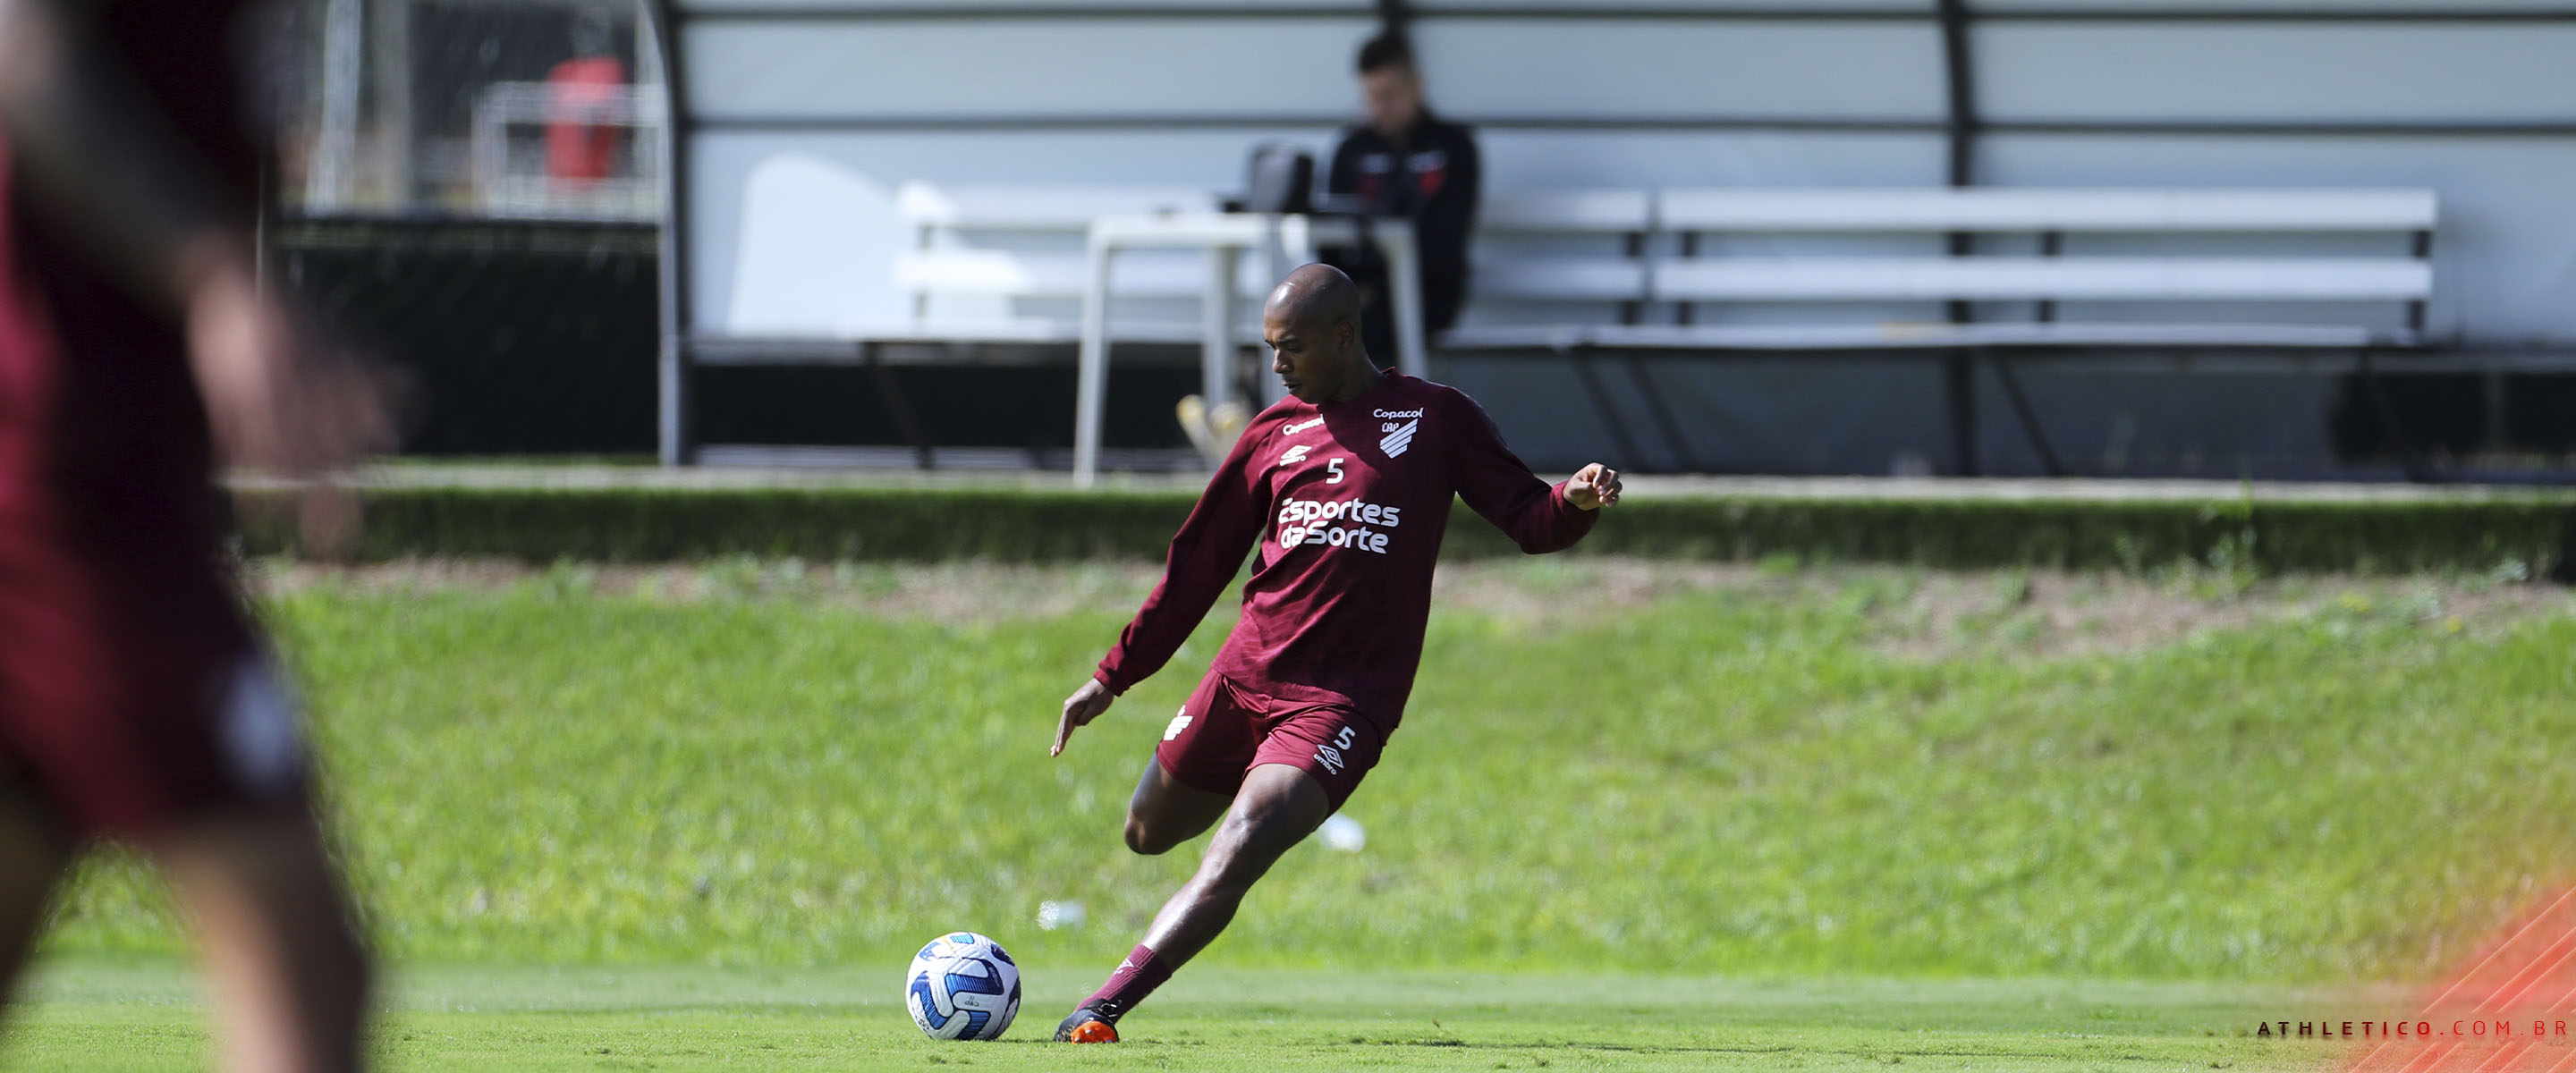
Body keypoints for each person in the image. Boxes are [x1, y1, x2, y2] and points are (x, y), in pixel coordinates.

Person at [1046, 264, 1620, 1043]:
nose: (1276, 366)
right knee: (1146, 830)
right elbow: (1197, 569)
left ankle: (1100, 1008)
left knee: (1241, 843)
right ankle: (1227, 798)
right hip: (1241, 679)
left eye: (1292, 348)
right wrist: (1112, 677)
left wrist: (1572, 502)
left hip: (1338, 704)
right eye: (1270, 348)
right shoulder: (1273, 432)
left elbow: (1528, 518)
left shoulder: (1435, 417)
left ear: (1344, 338)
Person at [0, 1, 391, 1069]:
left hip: (76, 463)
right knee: (306, 970)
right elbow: (20, 49)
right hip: (70, 479)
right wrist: (217, 277)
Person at [1323, 32, 1481, 369]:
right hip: (1360, 294)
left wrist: (1376, 287)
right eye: (1371, 97)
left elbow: (1448, 234)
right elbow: (1330, 229)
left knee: (1354, 337)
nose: (1380, 107)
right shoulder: (1351, 149)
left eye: (1389, 95)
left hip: (1429, 291)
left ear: (1417, 86)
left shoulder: (1454, 147)